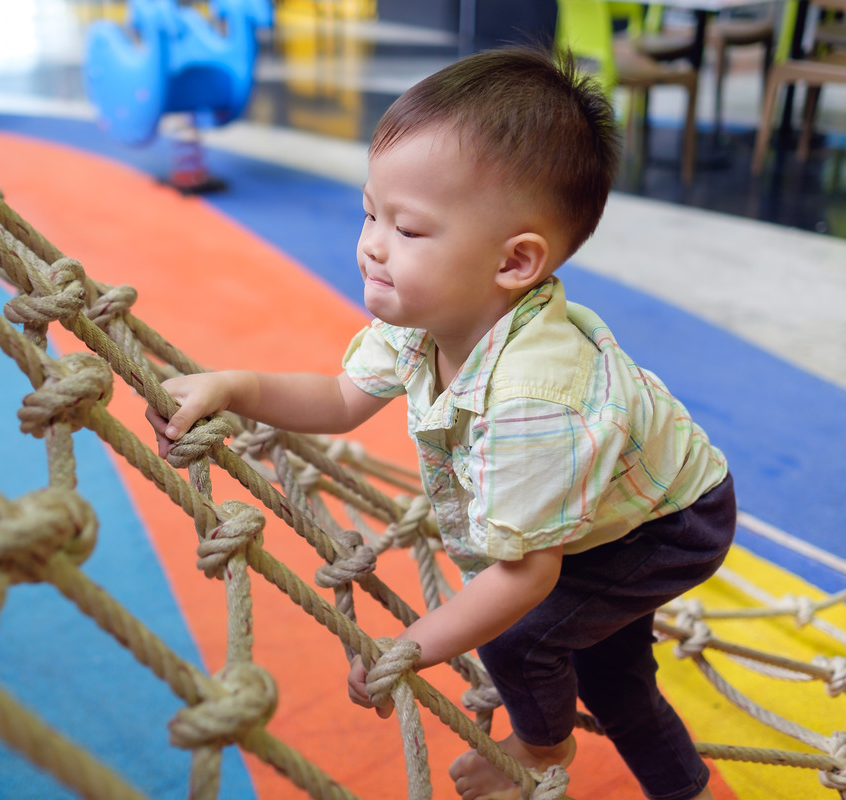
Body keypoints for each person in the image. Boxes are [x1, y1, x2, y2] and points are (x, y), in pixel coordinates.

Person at [145, 45, 734, 800]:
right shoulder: (432, 314)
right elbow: (339, 400)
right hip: (605, 510)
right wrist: (234, 386)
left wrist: (408, 647)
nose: (373, 245)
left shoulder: (534, 401)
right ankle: (688, 788)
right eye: (369, 212)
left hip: (665, 525)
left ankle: (537, 753)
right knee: (614, 679)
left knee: (522, 644)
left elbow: (525, 576)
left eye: (410, 230)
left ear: (515, 263)